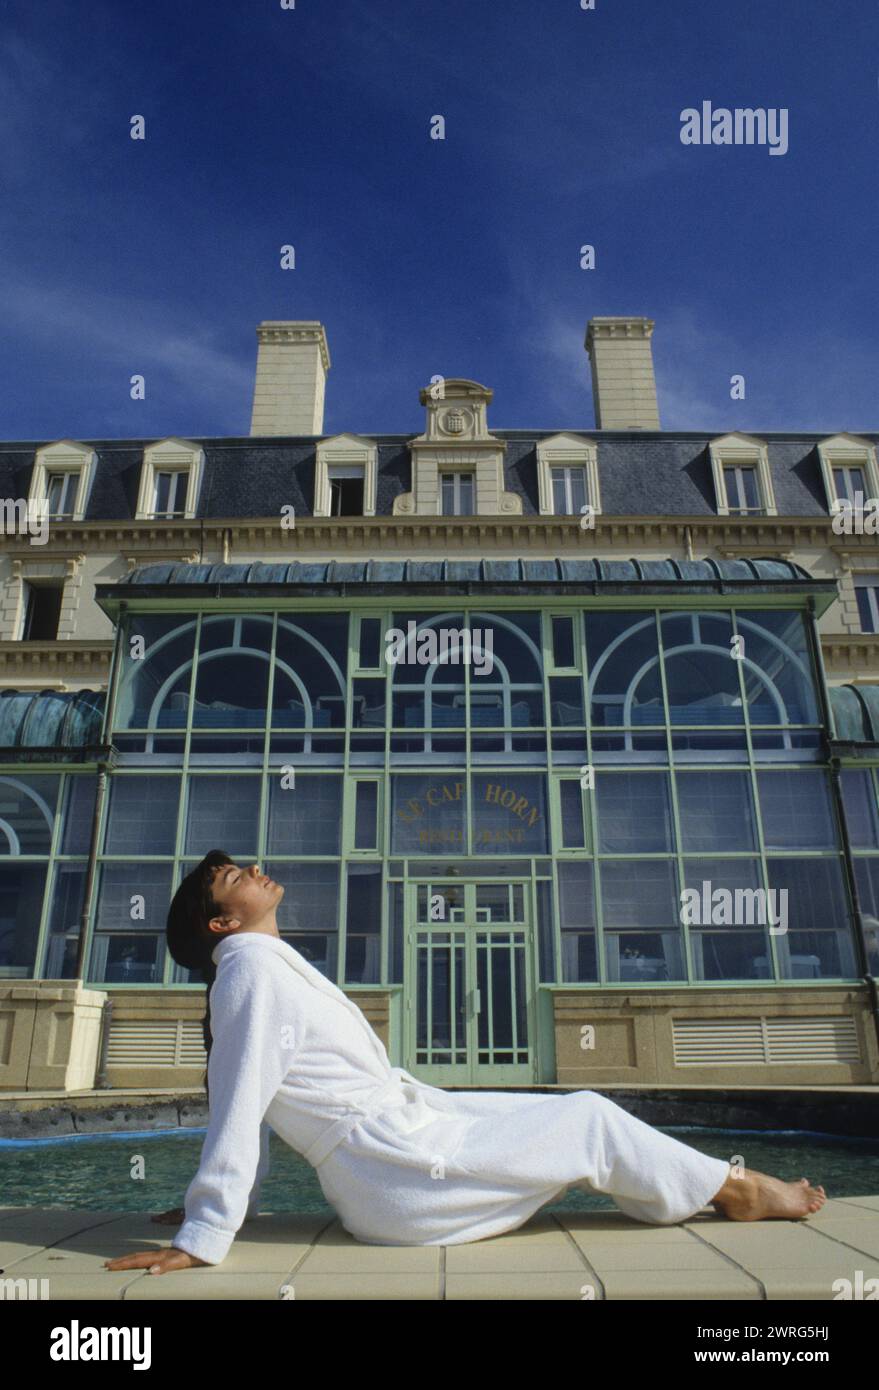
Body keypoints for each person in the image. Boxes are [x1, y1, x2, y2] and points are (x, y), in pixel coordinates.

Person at [105, 850, 826, 1278]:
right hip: (395, 1170)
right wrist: (205, 1231)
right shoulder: (250, 974)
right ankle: (737, 1190)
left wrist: (233, 1205)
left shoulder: (262, 968)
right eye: (234, 875)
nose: (255, 869)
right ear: (221, 922)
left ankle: (701, 1188)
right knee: (589, 1117)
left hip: (398, 1149)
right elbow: (238, 1102)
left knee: (566, 1114)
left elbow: (253, 1102)